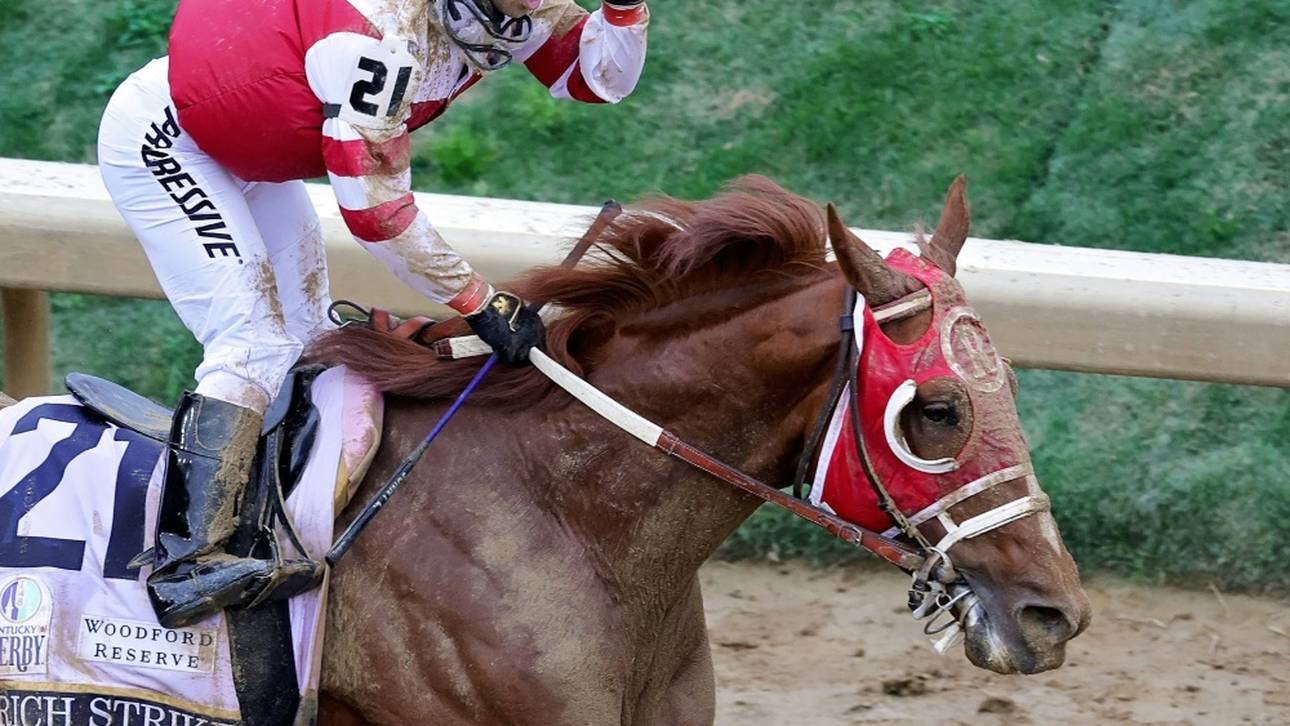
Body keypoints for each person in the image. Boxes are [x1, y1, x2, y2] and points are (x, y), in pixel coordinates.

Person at [97, 0, 649, 628]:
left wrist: (625, 10)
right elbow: (375, 214)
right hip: (170, 139)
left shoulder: (514, 7)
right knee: (252, 342)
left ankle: (269, 522)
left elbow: (594, 77)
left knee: (312, 344)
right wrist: (479, 300)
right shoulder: (385, 35)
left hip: (255, 153)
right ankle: (185, 564)